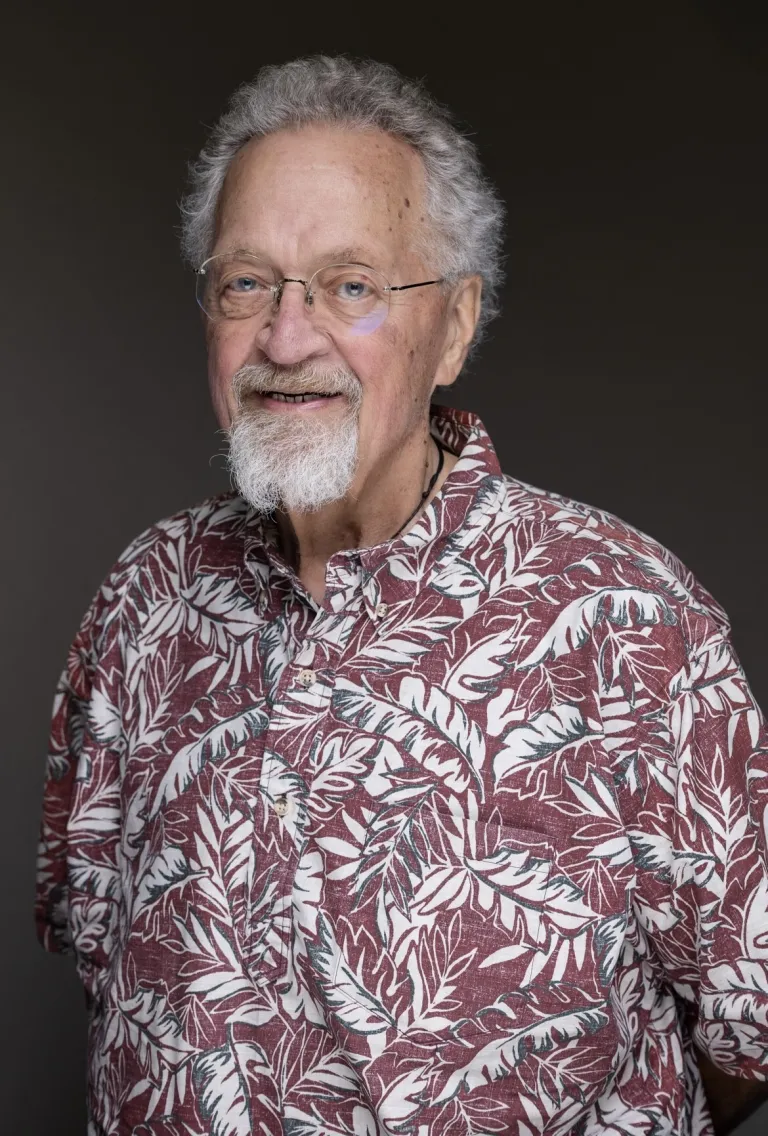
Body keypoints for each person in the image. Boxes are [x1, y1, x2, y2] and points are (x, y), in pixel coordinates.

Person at [36, 56, 768, 1136]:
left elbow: (749, 1024)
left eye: (352, 285)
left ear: (456, 327)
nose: (286, 339)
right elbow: (102, 951)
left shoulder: (626, 618)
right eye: (246, 282)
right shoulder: (147, 598)